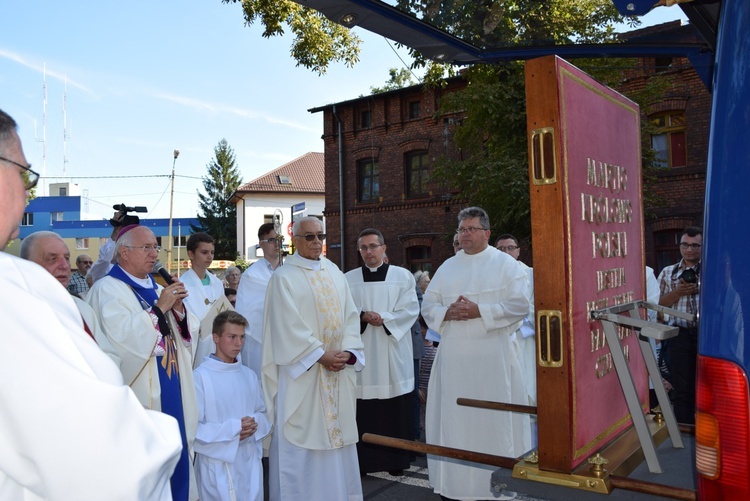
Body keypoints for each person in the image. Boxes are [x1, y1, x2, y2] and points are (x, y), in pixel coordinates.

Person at [0, 107, 182, 499]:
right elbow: (99, 456)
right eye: (24, 175)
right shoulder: (15, 291)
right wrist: (163, 436)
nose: (27, 191)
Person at [423, 207, 531, 500]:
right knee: (455, 421)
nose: (465, 234)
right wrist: (447, 311)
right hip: (455, 360)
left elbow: (520, 305)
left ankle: (496, 487)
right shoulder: (447, 267)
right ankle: (455, 486)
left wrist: (479, 310)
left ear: (487, 233)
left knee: (492, 423)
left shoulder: (507, 266)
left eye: (471, 229)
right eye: (461, 230)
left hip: (493, 361)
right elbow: (427, 305)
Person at [87, 224, 200, 500]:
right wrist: (160, 308)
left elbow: (187, 336)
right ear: (123, 252)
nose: (154, 253)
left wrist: (179, 312)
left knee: (178, 457)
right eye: (146, 247)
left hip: (173, 385)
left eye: (155, 247)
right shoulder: (108, 289)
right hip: (140, 396)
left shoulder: (156, 286)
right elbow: (123, 341)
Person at [262, 216, 365, 500]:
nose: (316, 241)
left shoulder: (334, 272)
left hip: (336, 372)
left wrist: (349, 352)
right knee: (302, 445)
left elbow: (350, 316)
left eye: (320, 235)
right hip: (303, 376)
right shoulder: (284, 277)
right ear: (295, 240)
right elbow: (286, 325)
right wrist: (320, 355)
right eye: (309, 236)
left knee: (338, 442)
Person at [345, 228, 419, 475]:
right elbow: (342, 313)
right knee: (364, 408)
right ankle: (364, 463)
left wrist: (385, 318)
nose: (369, 252)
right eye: (363, 248)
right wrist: (362, 317)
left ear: (384, 248)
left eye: (373, 246)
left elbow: (410, 310)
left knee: (394, 407)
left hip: (391, 352)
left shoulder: (403, 276)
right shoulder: (348, 279)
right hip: (364, 352)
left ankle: (396, 462)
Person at [193, 310, 271, 501]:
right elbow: (193, 428)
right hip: (217, 466)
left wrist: (254, 423)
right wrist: (235, 428)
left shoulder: (248, 375)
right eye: (232, 337)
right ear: (216, 337)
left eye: (242, 337)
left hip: (249, 463)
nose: (238, 343)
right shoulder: (200, 377)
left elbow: (263, 413)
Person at [19, 231, 116, 353]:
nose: (64, 266)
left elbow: (108, 354)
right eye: (52, 259)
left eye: (66, 258)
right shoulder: (13, 309)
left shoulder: (82, 308)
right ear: (27, 265)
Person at [657, 226, 702, 425]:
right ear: (680, 246)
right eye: (685, 244)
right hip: (679, 336)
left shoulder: (714, 269)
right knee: (681, 387)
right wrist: (678, 292)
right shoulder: (668, 273)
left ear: (702, 247)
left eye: (695, 245)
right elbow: (657, 306)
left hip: (706, 335)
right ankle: (684, 431)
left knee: (707, 386)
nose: (689, 249)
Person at [496, 233, 537, 446]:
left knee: (527, 393)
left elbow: (535, 308)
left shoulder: (530, 274)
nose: (506, 252)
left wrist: (508, 317)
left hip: (523, 341)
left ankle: (529, 447)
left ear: (518, 251)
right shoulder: (489, 273)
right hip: (497, 342)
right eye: (501, 249)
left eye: (510, 248)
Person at [235, 223, 282, 380]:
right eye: (271, 240)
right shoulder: (251, 275)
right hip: (260, 340)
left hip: (287, 339)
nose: (276, 244)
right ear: (261, 244)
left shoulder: (290, 270)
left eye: (279, 239)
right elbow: (246, 311)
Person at [180, 232, 225, 368]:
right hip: (197, 346)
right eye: (204, 252)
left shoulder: (217, 283)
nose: (210, 256)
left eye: (212, 252)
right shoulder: (182, 284)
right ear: (191, 254)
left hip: (218, 343)